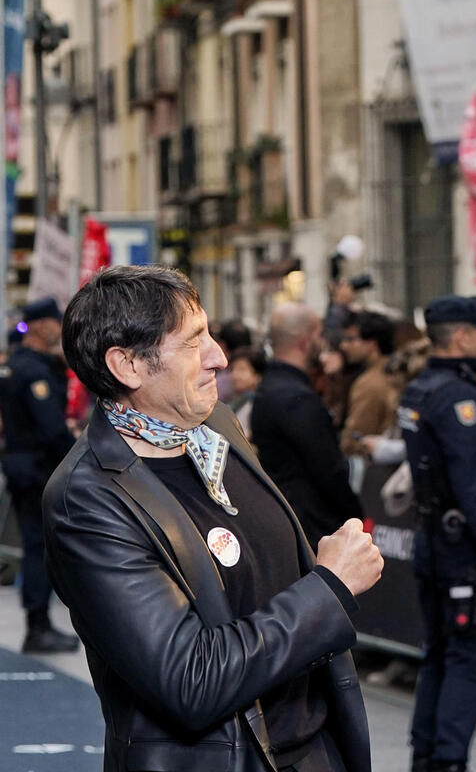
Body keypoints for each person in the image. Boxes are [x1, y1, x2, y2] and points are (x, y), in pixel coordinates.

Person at [44, 265, 382, 772]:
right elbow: (191, 680)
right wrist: (330, 589)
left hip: (313, 751)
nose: (219, 358)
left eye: (211, 334)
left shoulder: (216, 426)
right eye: (192, 342)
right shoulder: (87, 499)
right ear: (127, 366)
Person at [401, 295, 476, 772]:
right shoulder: (459, 396)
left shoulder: (420, 388)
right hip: (462, 547)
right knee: (469, 658)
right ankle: (447, 761)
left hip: (432, 539)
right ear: (466, 336)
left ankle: (427, 756)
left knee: (440, 653)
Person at [0, 297, 79, 653]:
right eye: (53, 321)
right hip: (36, 467)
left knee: (37, 543)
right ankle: (38, 626)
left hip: (21, 463)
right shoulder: (34, 371)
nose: (57, 328)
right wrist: (77, 458)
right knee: (39, 546)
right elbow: (50, 429)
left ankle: (39, 623)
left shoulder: (16, 364)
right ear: (39, 325)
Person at [252, 302, 363, 550]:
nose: (322, 342)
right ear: (305, 341)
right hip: (312, 528)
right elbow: (327, 466)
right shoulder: (294, 397)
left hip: (291, 519)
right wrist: (355, 515)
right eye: (319, 335)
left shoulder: (271, 387)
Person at [340, 310, 398, 456]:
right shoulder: (396, 373)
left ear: (372, 344)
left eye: (351, 339)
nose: (344, 346)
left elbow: (353, 440)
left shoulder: (369, 384)